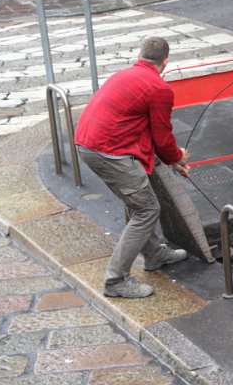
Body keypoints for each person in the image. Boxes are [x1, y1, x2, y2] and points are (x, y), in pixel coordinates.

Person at [75, 37, 190, 299]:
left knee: (138, 202)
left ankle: (154, 254)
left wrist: (172, 158)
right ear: (166, 62)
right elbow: (162, 137)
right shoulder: (159, 88)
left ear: (141, 56)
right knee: (146, 209)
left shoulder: (125, 74)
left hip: (88, 143)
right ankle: (115, 280)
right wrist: (177, 157)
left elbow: (142, 127)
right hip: (109, 151)